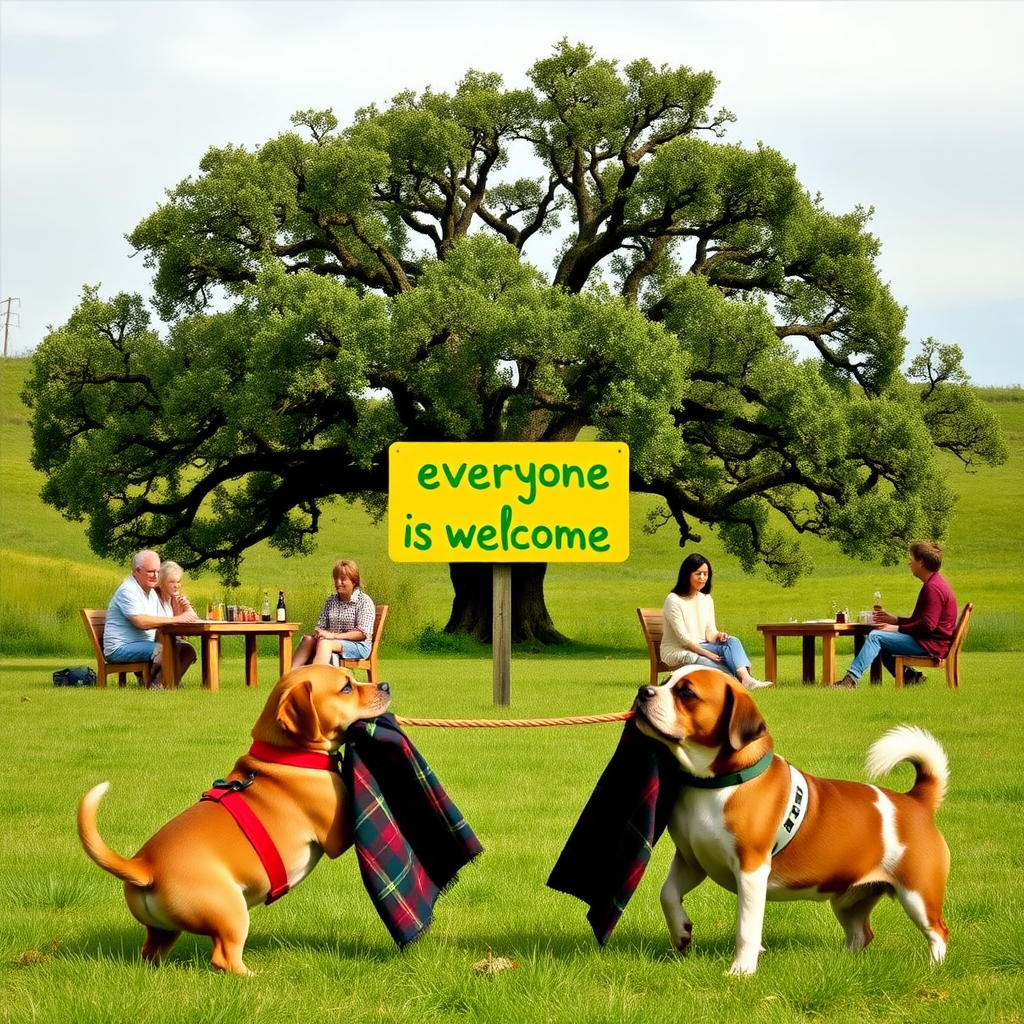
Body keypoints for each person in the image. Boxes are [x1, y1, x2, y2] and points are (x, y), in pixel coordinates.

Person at [835, 540, 957, 689]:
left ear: (921, 563)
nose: (909, 564)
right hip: (930, 642)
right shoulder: (935, 583)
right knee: (881, 639)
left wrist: (894, 628)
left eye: (911, 560)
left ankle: (850, 681)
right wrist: (894, 620)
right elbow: (919, 621)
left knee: (875, 636)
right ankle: (910, 677)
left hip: (931, 645)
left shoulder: (933, 588)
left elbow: (927, 626)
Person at [661, 553, 770, 690]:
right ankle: (736, 683)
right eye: (698, 574)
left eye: (705, 574)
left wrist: (718, 636)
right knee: (709, 660)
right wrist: (709, 654)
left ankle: (746, 679)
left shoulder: (706, 599)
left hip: (703, 645)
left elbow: (710, 632)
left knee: (732, 641)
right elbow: (683, 639)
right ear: (687, 574)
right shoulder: (673, 600)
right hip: (678, 649)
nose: (702, 578)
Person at [103, 550, 198, 689]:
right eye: (151, 572)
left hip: (144, 644)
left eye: (157, 572)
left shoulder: (150, 592)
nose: (155, 576)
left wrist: (182, 611)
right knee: (166, 649)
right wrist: (179, 618)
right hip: (120, 648)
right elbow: (141, 622)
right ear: (137, 571)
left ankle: (167, 682)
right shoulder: (128, 590)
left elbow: (161, 621)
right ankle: (156, 684)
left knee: (187, 650)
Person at [292, 559, 375, 668]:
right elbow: (320, 626)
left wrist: (333, 636)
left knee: (325, 643)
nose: (338, 582)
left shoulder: (364, 601)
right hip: (332, 641)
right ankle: (289, 677)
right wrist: (320, 632)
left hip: (359, 645)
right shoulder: (331, 600)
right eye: (336, 579)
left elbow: (362, 634)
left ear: (354, 581)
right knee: (308, 639)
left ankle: (317, 678)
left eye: (342, 579)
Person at [154, 561, 198, 682]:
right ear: (161, 583)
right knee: (177, 646)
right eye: (172, 582)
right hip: (154, 640)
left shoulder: (174, 600)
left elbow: (190, 620)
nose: (176, 585)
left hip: (169, 639)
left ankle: (171, 682)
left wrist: (187, 608)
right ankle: (160, 682)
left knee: (189, 650)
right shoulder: (155, 599)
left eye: (178, 582)